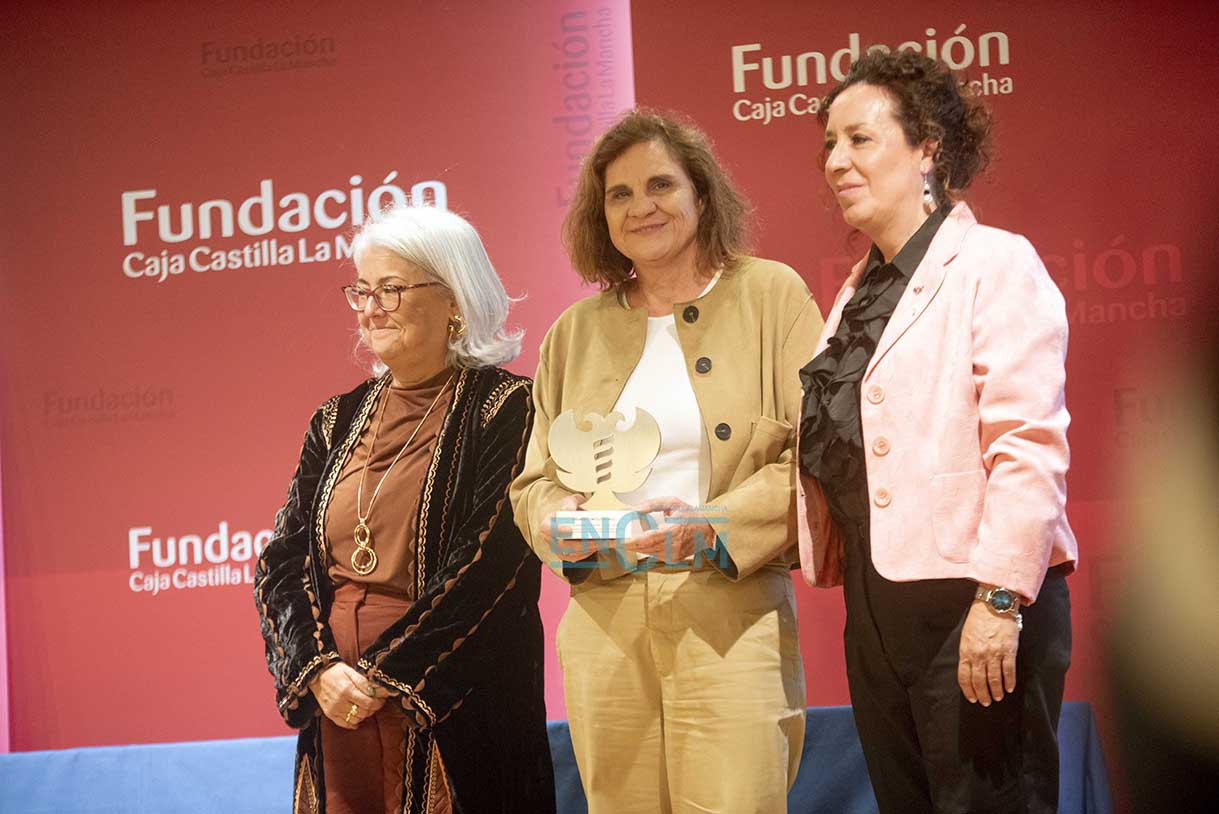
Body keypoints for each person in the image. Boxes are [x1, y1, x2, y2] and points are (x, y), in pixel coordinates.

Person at [511, 109, 822, 814]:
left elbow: (814, 458)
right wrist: (560, 522)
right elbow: (533, 484)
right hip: (603, 624)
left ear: (701, 195)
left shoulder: (772, 295)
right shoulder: (573, 332)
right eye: (618, 195)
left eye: (660, 185)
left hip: (730, 612)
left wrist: (711, 524)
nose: (640, 207)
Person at [795, 50, 1076, 814]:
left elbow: (1027, 445)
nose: (835, 161)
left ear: (926, 146)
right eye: (828, 144)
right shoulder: (859, 290)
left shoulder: (994, 262)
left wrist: (998, 602)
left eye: (859, 139)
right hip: (876, 610)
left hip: (975, 605)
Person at [254, 205, 555, 814]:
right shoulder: (335, 419)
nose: (370, 308)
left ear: (454, 299)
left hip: (453, 704)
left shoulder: (507, 407)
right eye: (361, 291)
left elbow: (490, 566)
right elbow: (282, 562)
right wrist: (317, 670)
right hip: (338, 702)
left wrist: (385, 675)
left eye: (390, 289)